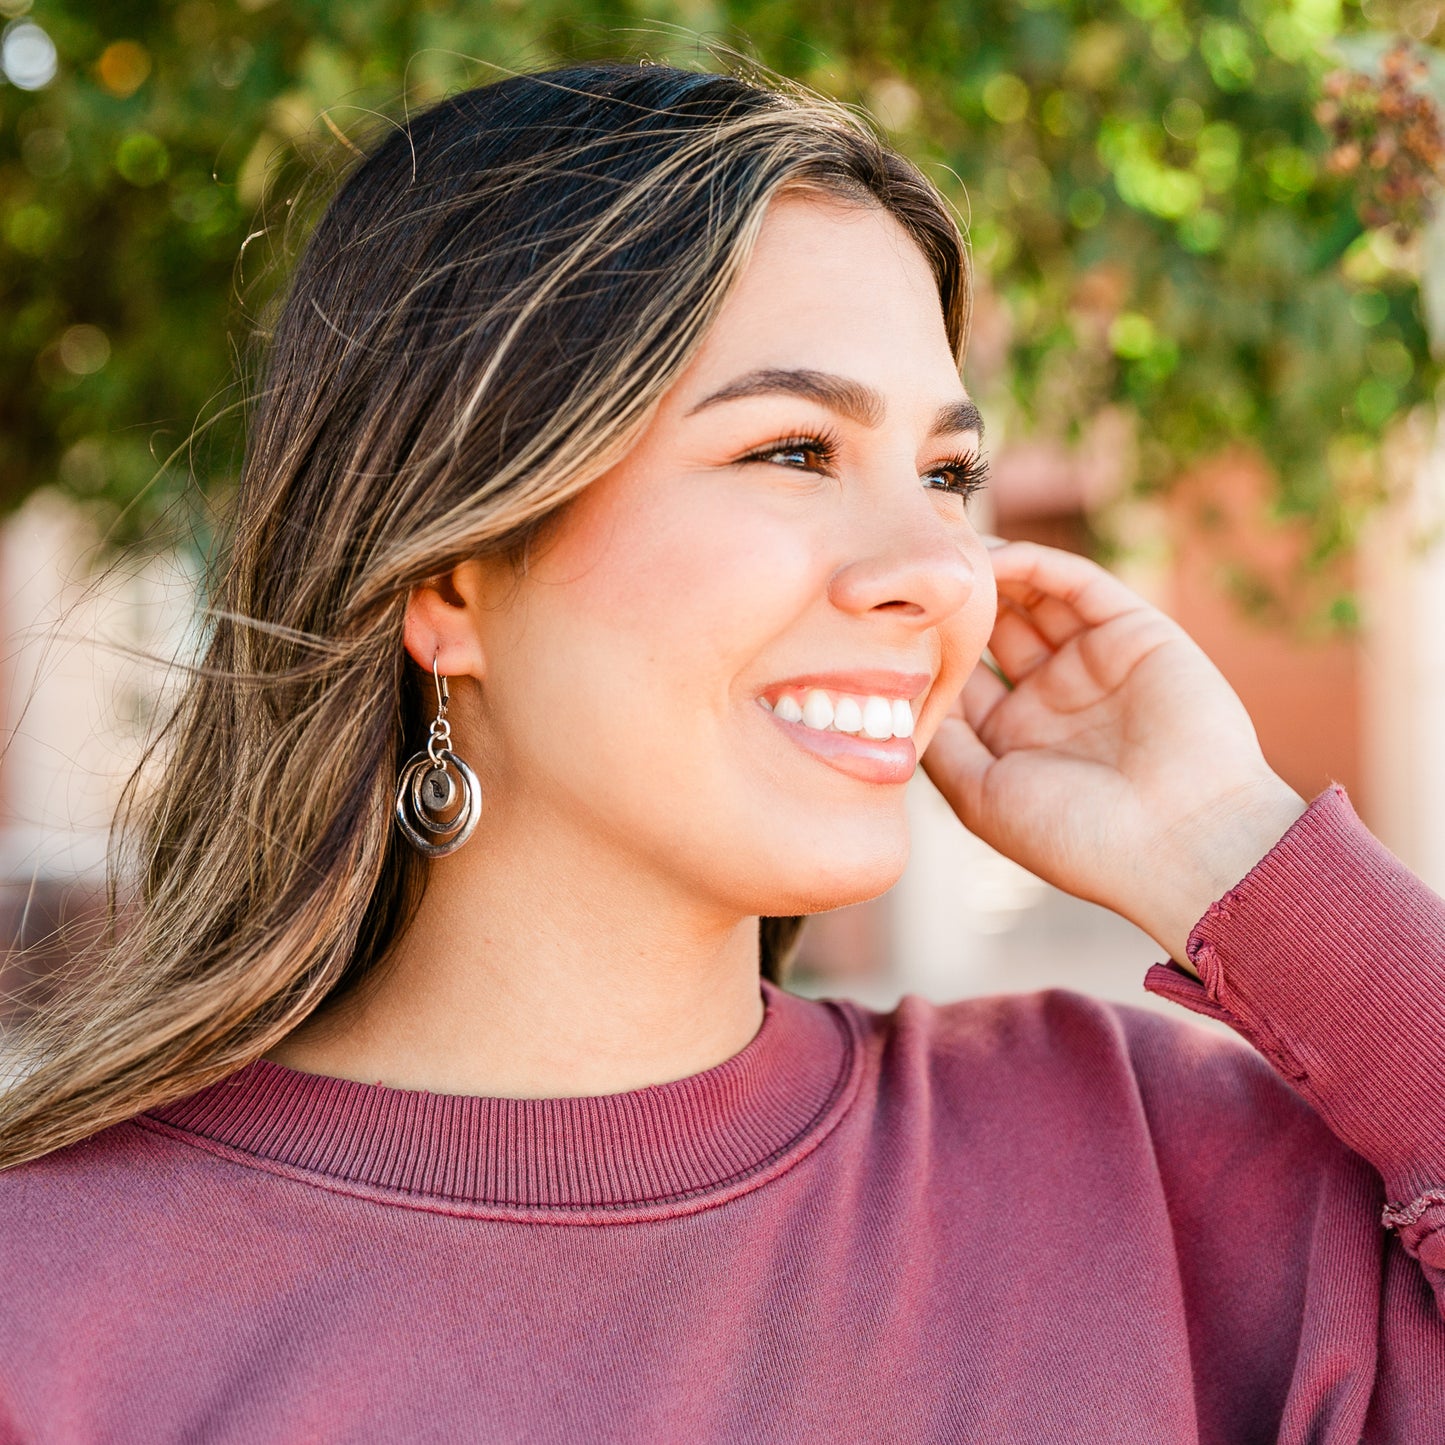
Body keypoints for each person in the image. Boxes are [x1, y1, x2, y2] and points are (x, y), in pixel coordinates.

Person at [1, 56, 1442, 1444]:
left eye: (944, 475)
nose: (942, 573)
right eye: (795, 451)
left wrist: (1230, 847)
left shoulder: (1160, 1173)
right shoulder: (54, 1307)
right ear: (448, 582)